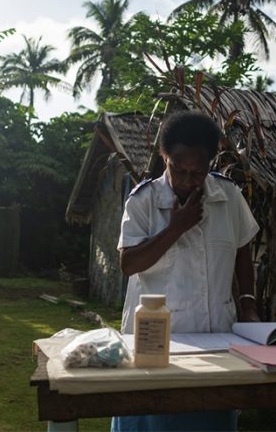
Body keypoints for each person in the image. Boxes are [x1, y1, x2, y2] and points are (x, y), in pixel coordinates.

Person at [111, 110, 260, 431]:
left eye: (199, 172)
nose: (189, 180)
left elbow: (242, 250)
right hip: (155, 345)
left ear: (212, 162)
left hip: (216, 339)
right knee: (153, 415)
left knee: (211, 417)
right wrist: (175, 228)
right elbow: (129, 264)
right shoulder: (143, 202)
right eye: (179, 169)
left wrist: (248, 305)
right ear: (164, 156)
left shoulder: (228, 196)